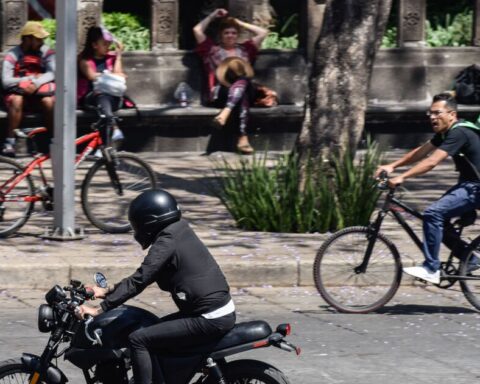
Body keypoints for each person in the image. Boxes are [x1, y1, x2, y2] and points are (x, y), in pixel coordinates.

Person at [76, 189, 236, 384]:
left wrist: (99, 310)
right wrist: (107, 290)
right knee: (152, 329)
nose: (136, 230)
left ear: (149, 221)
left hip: (209, 317)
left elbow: (140, 280)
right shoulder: (179, 230)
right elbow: (145, 276)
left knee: (138, 339)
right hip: (211, 311)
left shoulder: (167, 241)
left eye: (137, 224)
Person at [375, 92, 480, 284]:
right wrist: (392, 166)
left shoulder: (459, 132)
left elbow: (431, 162)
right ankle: (471, 257)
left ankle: (431, 268)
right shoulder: (447, 132)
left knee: (433, 214)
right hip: (468, 185)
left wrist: (402, 177)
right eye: (430, 113)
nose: (432, 117)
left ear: (452, 114)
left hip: (475, 188)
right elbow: (422, 151)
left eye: (437, 113)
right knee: (437, 219)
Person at [193, 8, 268, 154]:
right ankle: (242, 137)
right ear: (221, 36)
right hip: (221, 92)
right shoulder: (211, 50)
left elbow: (263, 32)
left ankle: (225, 113)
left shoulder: (246, 49)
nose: (230, 35)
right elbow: (197, 30)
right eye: (226, 33)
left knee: (243, 80)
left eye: (233, 33)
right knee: (243, 93)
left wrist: (239, 23)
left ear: (237, 35)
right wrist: (213, 14)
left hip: (243, 90)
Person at [1, 21, 55, 157]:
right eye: (37, 39)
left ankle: (52, 140)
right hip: (18, 94)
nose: (41, 42)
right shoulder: (12, 55)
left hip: (39, 94)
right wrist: (27, 81)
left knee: (48, 102)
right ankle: (10, 142)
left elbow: (53, 73)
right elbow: (5, 81)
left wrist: (35, 84)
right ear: (27, 39)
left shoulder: (47, 52)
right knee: (17, 100)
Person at [77, 26, 125, 146]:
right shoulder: (84, 60)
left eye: (109, 44)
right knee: (101, 97)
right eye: (104, 44)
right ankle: (113, 128)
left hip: (113, 97)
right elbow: (91, 76)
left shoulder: (112, 58)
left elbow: (119, 75)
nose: (108, 47)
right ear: (94, 45)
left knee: (104, 107)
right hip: (91, 98)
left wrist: (118, 56)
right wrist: (110, 75)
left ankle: (103, 146)